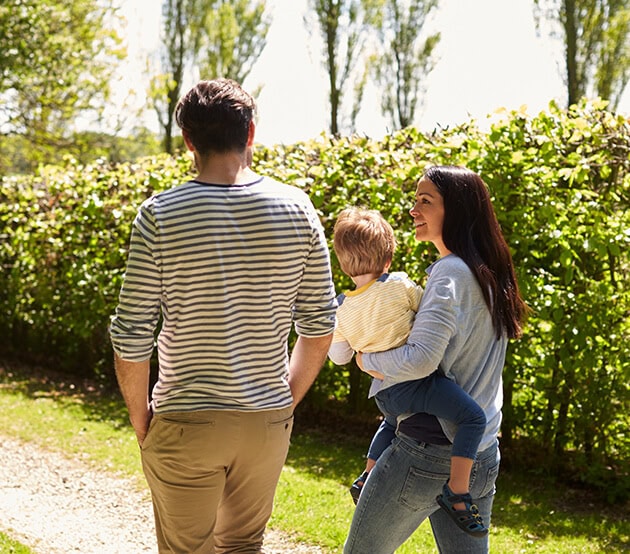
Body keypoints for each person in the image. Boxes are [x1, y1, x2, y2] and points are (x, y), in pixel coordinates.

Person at [109, 78, 337, 554]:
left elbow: (132, 335)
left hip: (186, 419)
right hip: (265, 424)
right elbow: (320, 326)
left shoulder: (160, 215)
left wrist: (140, 418)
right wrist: (282, 403)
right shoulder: (297, 209)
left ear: (188, 140)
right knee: (243, 547)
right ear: (250, 133)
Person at [344, 165, 528, 554]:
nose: (413, 210)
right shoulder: (489, 272)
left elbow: (422, 360)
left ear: (455, 210)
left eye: (425, 201)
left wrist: (367, 360)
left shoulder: (449, 273)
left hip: (427, 453)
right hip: (480, 454)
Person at [328, 207, 488, 538]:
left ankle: (368, 476)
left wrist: (363, 347)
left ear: (342, 264)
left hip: (385, 393)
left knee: (392, 422)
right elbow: (428, 310)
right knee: (473, 418)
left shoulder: (341, 307)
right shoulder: (398, 284)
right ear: (388, 258)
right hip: (417, 383)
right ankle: (457, 491)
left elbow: (340, 357)